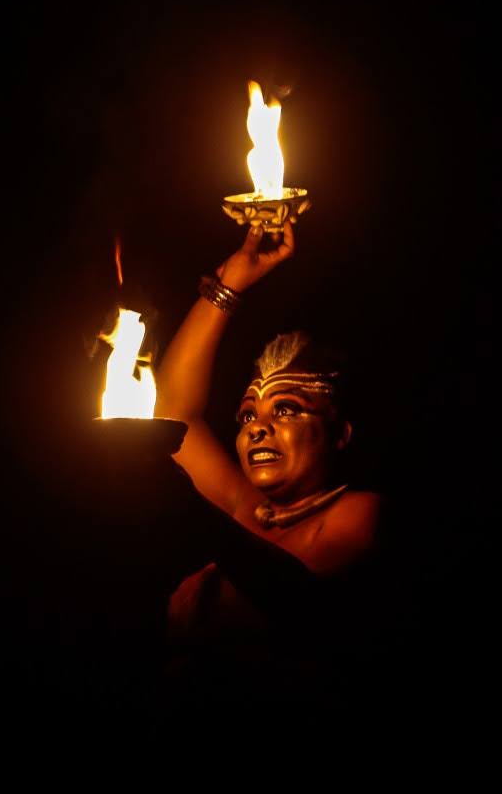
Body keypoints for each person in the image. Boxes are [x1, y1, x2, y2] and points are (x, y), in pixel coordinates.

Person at [151, 217, 389, 728]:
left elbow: (298, 600)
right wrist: (229, 285)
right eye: (246, 416)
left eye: (285, 410)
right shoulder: (243, 509)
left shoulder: (360, 514)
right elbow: (170, 416)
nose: (257, 428)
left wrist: (191, 513)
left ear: (340, 433)